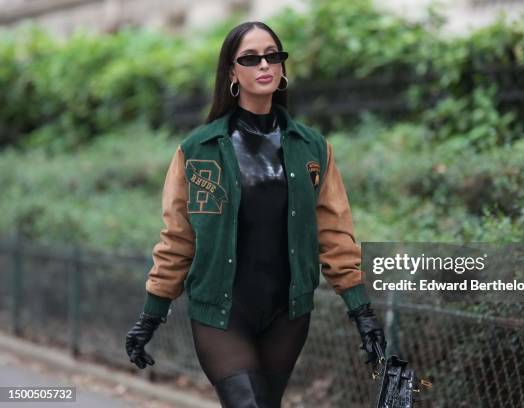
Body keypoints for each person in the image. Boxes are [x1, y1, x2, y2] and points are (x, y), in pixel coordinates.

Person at [125, 21, 387, 408]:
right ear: (232, 71)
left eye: (272, 56)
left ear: (282, 67)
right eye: (250, 58)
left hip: (288, 313)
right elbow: (179, 237)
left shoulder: (312, 147)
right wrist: (152, 313)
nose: (264, 64)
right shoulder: (199, 150)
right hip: (221, 312)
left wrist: (361, 312)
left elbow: (334, 234)